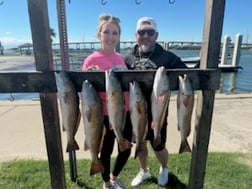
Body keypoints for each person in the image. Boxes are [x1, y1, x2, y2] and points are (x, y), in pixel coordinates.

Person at [125, 17, 188, 187]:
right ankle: (144, 171)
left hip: (158, 112)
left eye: (150, 32)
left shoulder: (168, 57)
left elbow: (189, 75)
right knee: (141, 142)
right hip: (136, 111)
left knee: (158, 144)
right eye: (141, 32)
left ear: (156, 35)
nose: (145, 35)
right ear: (136, 35)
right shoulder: (128, 58)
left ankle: (164, 168)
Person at [82, 14, 132, 189]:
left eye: (115, 33)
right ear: (99, 35)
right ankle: (105, 183)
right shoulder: (91, 60)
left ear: (119, 36)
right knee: (106, 151)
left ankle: (114, 176)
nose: (111, 36)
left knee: (126, 148)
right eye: (107, 32)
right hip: (103, 115)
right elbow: (85, 92)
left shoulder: (121, 58)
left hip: (123, 113)